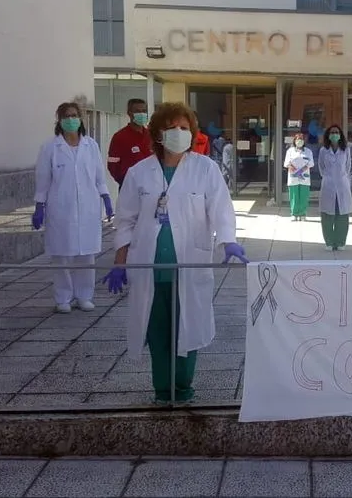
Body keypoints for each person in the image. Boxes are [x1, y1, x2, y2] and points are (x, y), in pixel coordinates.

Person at [101, 102, 248, 404]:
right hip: (150, 268)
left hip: (189, 266)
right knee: (158, 333)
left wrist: (228, 240)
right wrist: (120, 260)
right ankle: (161, 390)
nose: (178, 133)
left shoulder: (205, 168)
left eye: (184, 128)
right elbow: (126, 219)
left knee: (187, 328)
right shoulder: (138, 172)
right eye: (171, 128)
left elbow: (221, 210)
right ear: (157, 133)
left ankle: (182, 389)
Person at [34, 102, 112, 313]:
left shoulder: (91, 146)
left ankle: (84, 295)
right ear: (59, 120)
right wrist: (39, 205)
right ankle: (63, 298)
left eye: (75, 115)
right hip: (60, 208)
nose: (71, 119)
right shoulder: (50, 147)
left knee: (87, 254)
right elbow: (43, 179)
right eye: (67, 116)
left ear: (81, 119)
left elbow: (98, 176)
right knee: (62, 254)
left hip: (88, 207)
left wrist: (106, 197)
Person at [318, 124, 352, 251]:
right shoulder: (323, 150)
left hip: (342, 184)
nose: (334, 134)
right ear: (328, 135)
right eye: (332, 132)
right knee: (327, 215)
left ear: (340, 135)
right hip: (328, 185)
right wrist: (329, 178)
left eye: (337, 132)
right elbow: (321, 167)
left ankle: (340, 241)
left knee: (342, 215)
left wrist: (341, 178)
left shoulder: (346, 150)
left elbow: (348, 166)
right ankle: (329, 241)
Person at [108, 99, 152, 189]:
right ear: (129, 113)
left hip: (151, 188)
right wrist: (125, 183)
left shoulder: (151, 136)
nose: (141, 114)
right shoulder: (119, 137)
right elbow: (112, 166)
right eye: (137, 111)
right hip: (129, 188)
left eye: (144, 111)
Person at [284, 133, 314, 221]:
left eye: (301, 139)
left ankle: (303, 213)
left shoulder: (308, 151)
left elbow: (311, 163)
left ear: (304, 141)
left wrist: (300, 171)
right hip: (293, 177)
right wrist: (296, 172)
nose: (299, 141)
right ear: (294, 141)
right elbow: (287, 163)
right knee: (294, 196)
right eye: (297, 139)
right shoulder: (290, 151)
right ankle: (294, 213)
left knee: (304, 196)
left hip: (304, 177)